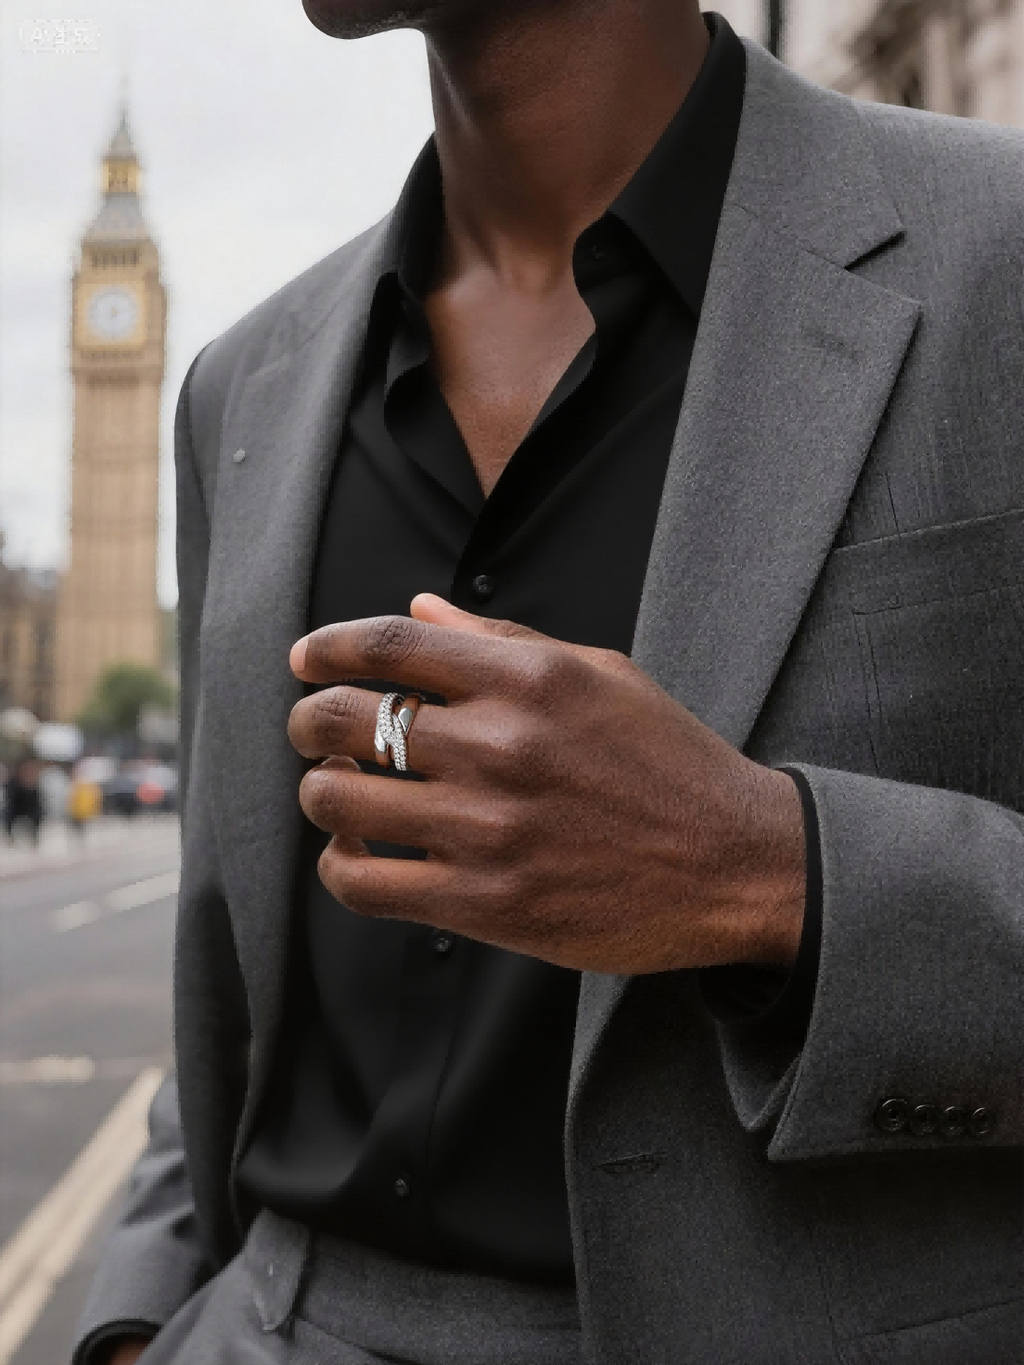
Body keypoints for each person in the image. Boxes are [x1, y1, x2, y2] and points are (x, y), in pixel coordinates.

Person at [77, 2, 1023, 1363]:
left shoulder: (996, 255)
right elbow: (233, 973)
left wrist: (774, 873)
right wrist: (140, 1312)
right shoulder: (243, 390)